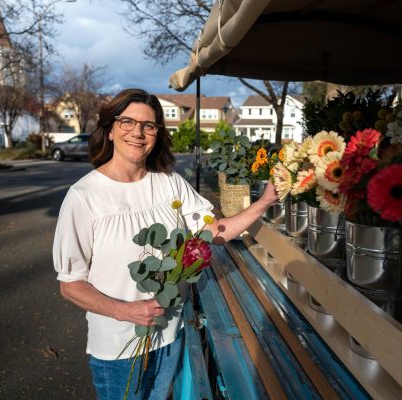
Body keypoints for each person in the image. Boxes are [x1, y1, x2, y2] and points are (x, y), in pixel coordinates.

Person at [52, 88, 278, 400]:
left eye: (149, 125)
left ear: (158, 133)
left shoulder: (169, 183)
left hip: (170, 335)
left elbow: (214, 232)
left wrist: (265, 202)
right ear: (111, 129)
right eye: (128, 122)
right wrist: (125, 311)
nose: (138, 133)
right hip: (118, 349)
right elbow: (70, 284)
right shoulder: (84, 197)